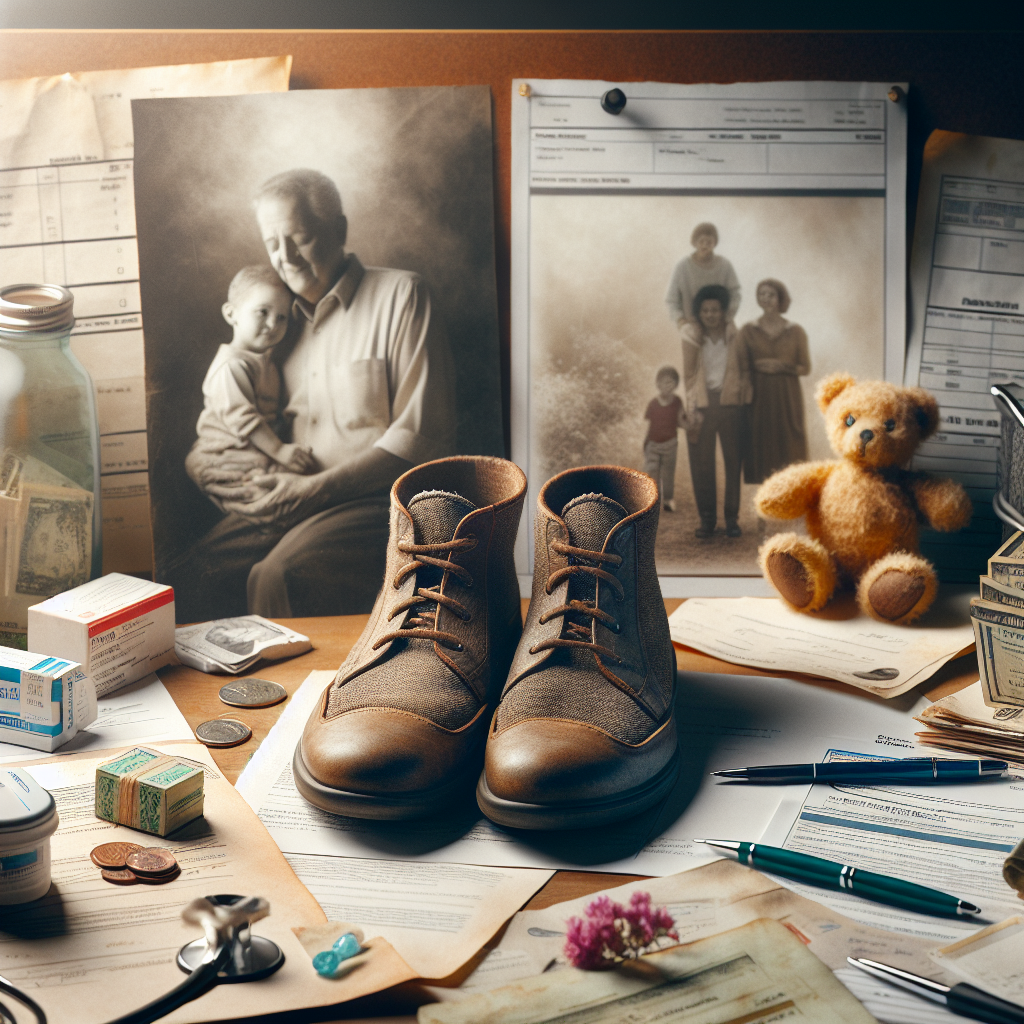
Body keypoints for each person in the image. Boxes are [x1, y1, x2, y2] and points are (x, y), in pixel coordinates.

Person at [169, 168, 456, 620]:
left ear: (338, 230)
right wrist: (203, 466)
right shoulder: (276, 322)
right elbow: (237, 407)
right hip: (290, 495)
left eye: (298, 238)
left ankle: (296, 693)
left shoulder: (403, 295)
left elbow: (421, 439)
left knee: (276, 576)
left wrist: (312, 491)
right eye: (271, 244)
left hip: (371, 500)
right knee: (184, 577)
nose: (286, 258)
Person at [195, 265, 318, 475]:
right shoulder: (231, 366)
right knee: (268, 489)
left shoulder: (266, 361)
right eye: (263, 312)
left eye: (282, 317)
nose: (272, 324)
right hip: (225, 450)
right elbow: (244, 420)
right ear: (231, 314)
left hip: (253, 448)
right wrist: (279, 450)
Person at [682, 284, 751, 539]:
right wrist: (692, 408)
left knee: (733, 462)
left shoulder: (736, 335)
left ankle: (732, 520)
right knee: (702, 465)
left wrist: (743, 398)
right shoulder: (691, 337)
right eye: (705, 310)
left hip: (731, 405)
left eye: (715, 310)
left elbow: (745, 370)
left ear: (723, 312)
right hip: (702, 404)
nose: (710, 314)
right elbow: (689, 375)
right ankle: (707, 520)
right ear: (699, 313)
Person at [739, 278, 810, 484]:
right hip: (760, 396)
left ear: (780, 298)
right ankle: (764, 505)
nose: (766, 299)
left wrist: (782, 366)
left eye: (771, 295)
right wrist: (756, 369)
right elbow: (742, 367)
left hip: (787, 396)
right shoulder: (748, 330)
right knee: (761, 443)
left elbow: (805, 368)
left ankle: (792, 497)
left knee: (789, 442)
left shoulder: (795, 331)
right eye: (761, 294)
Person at [665, 222, 741, 328]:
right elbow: (671, 299)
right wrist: (681, 321)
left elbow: (735, 294)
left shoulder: (724, 265)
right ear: (694, 243)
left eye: (709, 242)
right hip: (691, 325)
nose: (705, 245)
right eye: (701, 241)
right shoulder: (682, 266)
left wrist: (727, 318)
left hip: (721, 325)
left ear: (715, 243)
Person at [643, 366, 685, 511]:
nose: (667, 386)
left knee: (668, 474)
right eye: (663, 382)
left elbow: (681, 421)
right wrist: (646, 444)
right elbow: (648, 426)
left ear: (675, 386)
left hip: (670, 444)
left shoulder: (677, 402)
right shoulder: (653, 404)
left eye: (671, 383)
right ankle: (652, 501)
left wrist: (692, 423)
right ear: (658, 384)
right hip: (653, 443)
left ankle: (668, 500)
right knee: (651, 471)